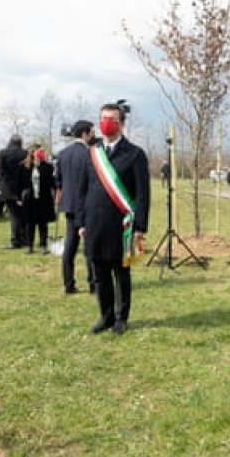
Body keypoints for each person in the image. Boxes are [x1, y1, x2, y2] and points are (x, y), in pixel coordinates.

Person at [78, 103, 150, 335]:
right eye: (103, 118)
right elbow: (83, 189)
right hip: (94, 224)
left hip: (122, 225)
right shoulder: (93, 152)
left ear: (121, 123)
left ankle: (121, 317)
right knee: (99, 275)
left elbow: (142, 193)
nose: (107, 122)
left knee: (121, 273)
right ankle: (106, 316)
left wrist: (140, 226)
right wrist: (80, 222)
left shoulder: (134, 154)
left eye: (112, 119)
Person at [56, 120, 95, 293]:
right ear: (85, 133)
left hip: (70, 205)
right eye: (92, 132)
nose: (93, 135)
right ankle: (94, 283)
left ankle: (68, 283)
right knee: (90, 247)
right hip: (87, 205)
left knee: (70, 247)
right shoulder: (90, 154)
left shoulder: (63, 154)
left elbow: (58, 180)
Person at [19, 148, 56, 254]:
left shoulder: (48, 167)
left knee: (43, 224)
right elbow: (19, 183)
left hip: (43, 200)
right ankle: (29, 246)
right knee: (29, 224)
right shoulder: (24, 167)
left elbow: (52, 182)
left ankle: (43, 245)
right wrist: (18, 198)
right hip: (29, 200)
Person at [0, 134, 28, 249]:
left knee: (14, 215)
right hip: (22, 188)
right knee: (23, 214)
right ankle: (25, 239)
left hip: (8, 188)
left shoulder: (2, 153)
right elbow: (27, 171)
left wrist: (10, 185)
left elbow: (1, 172)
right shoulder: (25, 153)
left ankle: (15, 240)